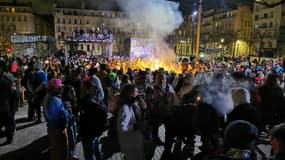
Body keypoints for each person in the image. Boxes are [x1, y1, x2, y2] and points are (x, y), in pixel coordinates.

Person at [78, 80, 107, 160]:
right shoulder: (95, 99)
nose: (81, 90)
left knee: (89, 155)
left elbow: (87, 119)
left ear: (88, 90)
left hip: (88, 133)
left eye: (83, 88)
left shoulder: (88, 103)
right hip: (94, 132)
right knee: (96, 150)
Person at [116, 84, 145, 160]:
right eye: (136, 92)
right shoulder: (125, 107)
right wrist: (135, 126)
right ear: (130, 94)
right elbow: (122, 127)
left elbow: (144, 107)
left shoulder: (133, 103)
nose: (138, 93)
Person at [43, 78, 70, 160]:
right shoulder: (55, 99)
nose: (61, 89)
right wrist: (66, 109)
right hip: (58, 128)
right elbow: (62, 115)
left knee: (55, 150)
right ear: (54, 88)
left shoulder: (48, 96)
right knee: (61, 151)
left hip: (52, 127)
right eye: (59, 87)